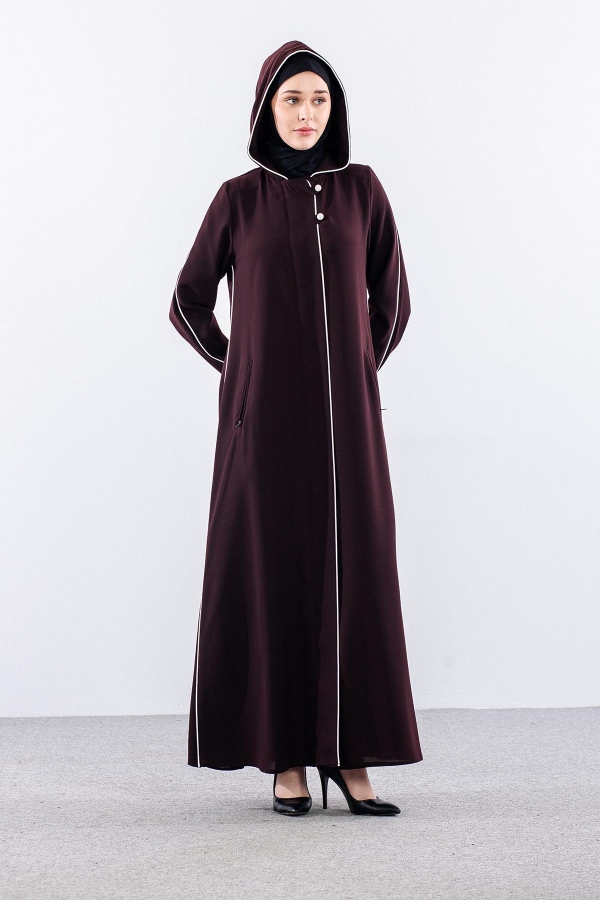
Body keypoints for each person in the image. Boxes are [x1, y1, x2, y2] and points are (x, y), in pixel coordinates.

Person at [169, 40, 423, 817]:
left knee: (355, 573)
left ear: (333, 109)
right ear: (266, 109)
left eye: (319, 99)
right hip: (263, 429)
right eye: (292, 99)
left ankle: (349, 755)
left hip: (349, 429)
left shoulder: (362, 191)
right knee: (271, 572)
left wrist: (354, 370)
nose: (307, 113)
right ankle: (284, 757)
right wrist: (241, 368)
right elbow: (187, 302)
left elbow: (393, 302)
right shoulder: (238, 200)